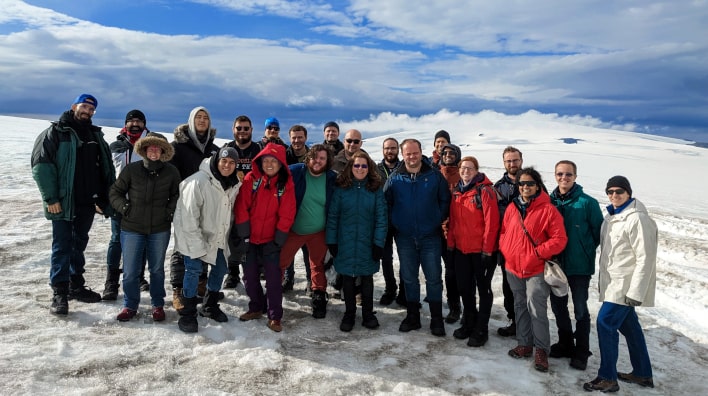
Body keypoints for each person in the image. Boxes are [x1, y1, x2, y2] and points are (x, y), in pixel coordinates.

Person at [31, 93, 114, 315]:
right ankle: (59, 291)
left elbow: (105, 169)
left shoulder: (95, 136)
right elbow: (42, 166)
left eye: (91, 109)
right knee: (62, 245)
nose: (87, 111)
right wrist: (51, 199)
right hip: (63, 202)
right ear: (74, 106)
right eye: (84, 106)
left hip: (87, 202)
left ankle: (75, 285)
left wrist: (103, 199)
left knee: (79, 244)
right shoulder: (55, 133)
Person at [584, 176, 657, 392]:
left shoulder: (637, 219)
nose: (614, 195)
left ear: (628, 192)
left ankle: (607, 377)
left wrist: (636, 291)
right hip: (613, 283)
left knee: (605, 323)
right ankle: (643, 373)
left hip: (625, 286)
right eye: (610, 191)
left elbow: (646, 258)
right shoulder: (613, 216)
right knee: (630, 328)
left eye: (619, 191)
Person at [500, 167, 567, 373]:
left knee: (536, 309)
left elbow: (559, 239)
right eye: (522, 184)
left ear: (537, 186)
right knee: (520, 305)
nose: (525, 187)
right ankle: (524, 343)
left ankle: (541, 350)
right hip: (513, 268)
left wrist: (537, 253)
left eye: (529, 183)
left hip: (536, 268)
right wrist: (506, 250)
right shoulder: (513, 207)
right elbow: (504, 232)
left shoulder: (548, 210)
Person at [109, 133, 180, 322]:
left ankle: (157, 304)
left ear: (163, 151)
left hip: (159, 228)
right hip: (132, 227)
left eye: (158, 148)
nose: (154, 151)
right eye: (151, 147)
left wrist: (169, 212)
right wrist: (125, 208)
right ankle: (130, 305)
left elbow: (176, 195)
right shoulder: (132, 170)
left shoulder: (171, 172)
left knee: (156, 269)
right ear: (144, 150)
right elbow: (115, 192)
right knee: (131, 271)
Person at [384, 139, 451, 336]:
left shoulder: (434, 176)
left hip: (430, 236)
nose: (412, 157)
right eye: (408, 154)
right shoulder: (395, 179)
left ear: (421, 153)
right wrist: (396, 224)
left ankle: (436, 319)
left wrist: (436, 219)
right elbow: (386, 203)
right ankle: (412, 316)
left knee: (433, 278)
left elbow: (444, 200)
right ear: (402, 155)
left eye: (415, 153)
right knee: (409, 278)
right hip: (405, 238)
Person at [173, 147, 241, 333]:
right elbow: (188, 217)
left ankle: (209, 305)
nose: (227, 165)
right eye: (224, 161)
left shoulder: (233, 183)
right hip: (194, 235)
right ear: (217, 161)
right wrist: (196, 244)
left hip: (217, 236)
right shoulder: (198, 181)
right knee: (193, 270)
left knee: (220, 269)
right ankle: (187, 312)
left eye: (231, 163)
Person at [235, 143, 296, 332]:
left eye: (273, 161)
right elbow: (241, 207)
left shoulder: (285, 184)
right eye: (266, 160)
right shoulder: (251, 179)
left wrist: (278, 239)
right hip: (250, 239)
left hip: (271, 240)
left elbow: (288, 213)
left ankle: (274, 316)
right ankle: (256, 307)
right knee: (250, 276)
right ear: (260, 162)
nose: (269, 164)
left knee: (274, 280)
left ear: (281, 164)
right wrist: (244, 234)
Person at [549, 160, 604, 370]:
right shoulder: (550, 201)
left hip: (580, 266)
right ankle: (565, 343)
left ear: (575, 176)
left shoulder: (587, 202)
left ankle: (581, 350)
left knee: (580, 309)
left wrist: (585, 249)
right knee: (558, 307)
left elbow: (598, 232)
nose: (564, 178)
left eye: (568, 174)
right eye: (560, 174)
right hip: (556, 266)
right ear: (555, 176)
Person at [326, 151, 387, 332]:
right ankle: (349, 313)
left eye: (364, 165)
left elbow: (382, 219)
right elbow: (333, 217)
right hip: (345, 241)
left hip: (367, 242)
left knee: (367, 278)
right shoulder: (341, 189)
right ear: (350, 167)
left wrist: (378, 243)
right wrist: (332, 241)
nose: (360, 169)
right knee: (347, 279)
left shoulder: (375, 190)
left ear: (369, 168)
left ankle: (368, 314)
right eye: (356, 165)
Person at [169, 106, 219, 310]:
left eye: (205, 117)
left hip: (207, 205)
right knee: (182, 246)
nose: (202, 120)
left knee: (205, 241)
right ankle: (178, 289)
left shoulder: (213, 149)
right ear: (191, 121)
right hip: (184, 205)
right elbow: (172, 177)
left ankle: (200, 282)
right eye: (198, 117)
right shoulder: (178, 147)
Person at [446, 156, 500, 347]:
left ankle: (481, 329)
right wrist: (451, 245)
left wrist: (487, 251)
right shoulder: (457, 192)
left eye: (470, 168)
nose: (466, 171)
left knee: (483, 290)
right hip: (461, 250)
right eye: (463, 168)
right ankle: (469, 321)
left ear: (476, 170)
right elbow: (453, 222)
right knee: (464, 288)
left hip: (481, 252)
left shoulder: (485, 191)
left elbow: (492, 223)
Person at [280, 144, 337, 318]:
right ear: (308, 158)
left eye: (322, 158)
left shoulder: (331, 178)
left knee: (317, 264)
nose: (317, 161)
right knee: (280, 262)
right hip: (295, 230)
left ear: (327, 161)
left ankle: (319, 295)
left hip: (318, 231)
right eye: (314, 157)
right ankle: (273, 293)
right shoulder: (297, 171)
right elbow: (275, 172)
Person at [103, 109, 150, 301]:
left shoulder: (152, 144)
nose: (135, 123)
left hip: (145, 204)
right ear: (126, 124)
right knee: (117, 241)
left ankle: (138, 276)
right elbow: (107, 173)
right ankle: (111, 282)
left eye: (139, 121)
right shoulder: (115, 145)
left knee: (143, 241)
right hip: (120, 202)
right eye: (131, 121)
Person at [223, 115, 263, 289]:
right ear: (233, 130)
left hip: (253, 202)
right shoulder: (226, 149)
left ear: (251, 130)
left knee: (252, 237)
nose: (242, 131)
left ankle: (253, 271)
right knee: (230, 237)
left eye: (246, 128)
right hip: (230, 201)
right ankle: (232, 273)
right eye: (239, 128)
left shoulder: (259, 150)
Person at [494, 146, 523, 337]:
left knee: (529, 288)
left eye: (515, 160)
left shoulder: (533, 182)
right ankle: (514, 320)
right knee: (509, 286)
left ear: (521, 160)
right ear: (504, 163)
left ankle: (528, 323)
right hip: (507, 245)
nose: (512, 164)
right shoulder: (498, 187)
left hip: (528, 246)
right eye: (508, 161)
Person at [283, 124, 311, 292]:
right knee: (288, 247)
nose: (297, 140)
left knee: (308, 248)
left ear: (305, 138)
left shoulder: (312, 156)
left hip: (307, 207)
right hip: (287, 207)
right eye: (294, 137)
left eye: (300, 137)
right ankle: (288, 278)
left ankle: (310, 280)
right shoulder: (284, 156)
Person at [439, 143, 463, 323]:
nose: (448, 155)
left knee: (454, 271)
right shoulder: (435, 173)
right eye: (444, 153)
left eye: (451, 153)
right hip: (436, 229)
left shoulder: (462, 174)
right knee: (443, 271)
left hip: (457, 230)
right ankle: (449, 303)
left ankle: (457, 306)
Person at [376, 137, 401, 305]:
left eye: (393, 148)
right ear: (383, 150)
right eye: (387, 148)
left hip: (402, 219)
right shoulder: (375, 170)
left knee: (406, 258)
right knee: (386, 258)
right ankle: (390, 288)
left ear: (398, 150)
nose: (390, 151)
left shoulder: (404, 168)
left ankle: (405, 291)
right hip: (383, 220)